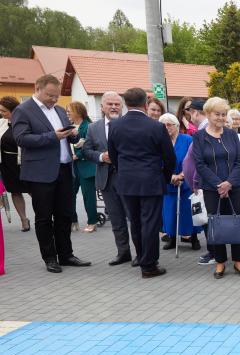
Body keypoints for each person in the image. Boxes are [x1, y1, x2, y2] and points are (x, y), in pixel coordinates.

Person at [12, 74, 90, 273]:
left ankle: (66, 255)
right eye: (50, 95)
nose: (54, 99)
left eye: (56, 96)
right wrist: (52, 136)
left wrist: (73, 135)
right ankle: (50, 258)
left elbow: (68, 138)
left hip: (64, 169)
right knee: (44, 217)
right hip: (40, 173)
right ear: (37, 88)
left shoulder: (59, 110)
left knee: (65, 215)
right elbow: (21, 139)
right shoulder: (23, 110)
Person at [108, 87, 176, 278]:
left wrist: (123, 172)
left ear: (125, 103)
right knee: (150, 223)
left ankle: (140, 257)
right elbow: (169, 157)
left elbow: (113, 155)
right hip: (151, 181)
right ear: (145, 104)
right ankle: (149, 265)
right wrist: (164, 177)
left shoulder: (115, 126)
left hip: (126, 181)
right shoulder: (156, 126)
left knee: (135, 222)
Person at [192, 97, 240, 278]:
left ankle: (238, 260)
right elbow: (200, 164)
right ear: (208, 114)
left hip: (235, 186)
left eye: (224, 114)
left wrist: (229, 183)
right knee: (216, 223)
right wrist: (219, 184)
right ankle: (220, 262)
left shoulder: (231, 134)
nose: (221, 118)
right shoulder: (199, 137)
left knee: (236, 222)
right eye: (217, 114)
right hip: (211, 189)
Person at [83, 91, 134, 265]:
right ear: (102, 107)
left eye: (117, 104)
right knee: (116, 219)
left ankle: (141, 253)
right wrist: (101, 157)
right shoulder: (93, 128)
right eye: (110, 104)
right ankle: (123, 253)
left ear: (122, 106)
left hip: (128, 179)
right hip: (106, 180)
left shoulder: (130, 125)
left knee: (134, 218)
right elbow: (86, 151)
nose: (113, 107)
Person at [159, 113, 200, 251]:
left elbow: (193, 159)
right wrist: (171, 177)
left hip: (186, 181)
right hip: (168, 182)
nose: (166, 128)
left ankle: (194, 237)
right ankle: (171, 238)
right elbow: (157, 161)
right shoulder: (159, 142)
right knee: (170, 212)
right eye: (163, 125)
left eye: (169, 125)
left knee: (188, 212)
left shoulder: (187, 139)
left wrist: (182, 175)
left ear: (177, 126)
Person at [184, 98, 215, 265]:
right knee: (205, 219)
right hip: (200, 185)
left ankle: (214, 252)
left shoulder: (204, 131)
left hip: (202, 185)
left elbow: (201, 161)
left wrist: (196, 182)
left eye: (190, 113)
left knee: (207, 219)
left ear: (195, 112)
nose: (190, 117)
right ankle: (213, 251)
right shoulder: (202, 130)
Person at [66, 101, 97, 233]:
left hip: (86, 166)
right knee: (69, 195)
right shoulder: (68, 127)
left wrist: (77, 155)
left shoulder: (88, 126)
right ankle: (73, 221)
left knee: (88, 196)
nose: (67, 114)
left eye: (69, 111)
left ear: (78, 112)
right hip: (72, 167)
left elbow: (92, 146)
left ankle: (92, 222)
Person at [0, 96, 30, 231]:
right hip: (7, 164)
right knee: (15, 192)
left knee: (33, 191)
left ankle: (44, 216)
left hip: (24, 162)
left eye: (4, 111)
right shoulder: (1, 123)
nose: (1, 113)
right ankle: (24, 219)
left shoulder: (24, 122)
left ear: (13, 111)